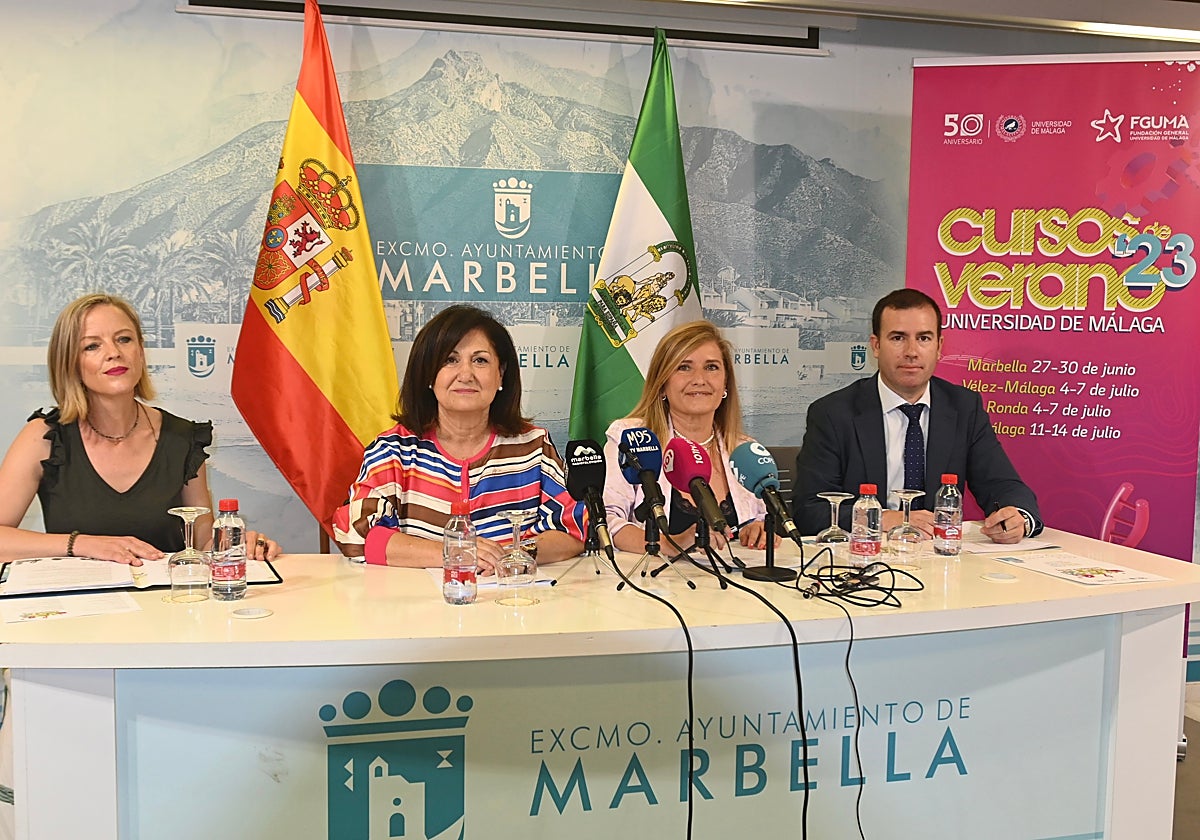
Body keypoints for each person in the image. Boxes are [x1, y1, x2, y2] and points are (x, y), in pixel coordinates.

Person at [0, 294, 280, 564]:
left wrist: (239, 545)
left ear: (141, 351)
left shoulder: (182, 438)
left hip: (165, 604)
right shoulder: (44, 437)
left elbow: (202, 543)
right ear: (70, 362)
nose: (114, 353)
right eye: (92, 346)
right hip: (77, 606)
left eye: (124, 339)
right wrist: (83, 544)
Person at [333, 305, 586, 570]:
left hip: (513, 603)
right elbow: (355, 535)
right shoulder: (394, 450)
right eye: (450, 360)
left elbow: (574, 528)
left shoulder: (533, 446)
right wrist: (456, 551)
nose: (465, 375)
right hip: (419, 607)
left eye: (480, 360)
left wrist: (515, 554)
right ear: (428, 375)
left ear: (501, 374)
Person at [793, 288, 1041, 543]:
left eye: (923, 338)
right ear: (876, 346)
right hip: (865, 559)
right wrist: (882, 518)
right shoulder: (833, 413)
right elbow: (809, 510)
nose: (912, 351)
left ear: (939, 346)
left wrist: (1016, 517)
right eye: (898, 338)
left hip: (939, 558)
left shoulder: (964, 407)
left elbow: (1003, 485)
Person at [602, 320, 779, 552]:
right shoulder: (631, 439)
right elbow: (607, 521)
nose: (699, 379)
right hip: (658, 582)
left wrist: (758, 529)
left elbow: (763, 518)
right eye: (684, 367)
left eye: (712, 367)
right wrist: (668, 545)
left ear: (726, 383)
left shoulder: (745, 451)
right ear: (662, 383)